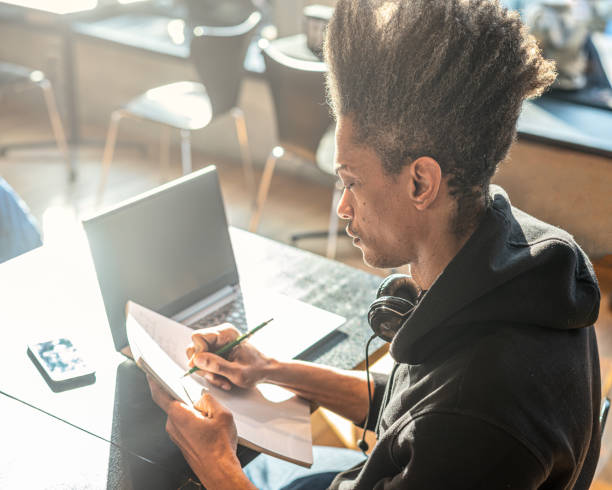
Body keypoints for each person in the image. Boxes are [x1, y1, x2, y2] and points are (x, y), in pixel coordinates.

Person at [147, 0, 602, 488]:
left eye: (352, 181)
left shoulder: (476, 422)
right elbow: (409, 408)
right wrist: (271, 369)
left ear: (420, 183)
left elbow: (444, 423)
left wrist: (215, 462)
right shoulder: (529, 258)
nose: (343, 207)